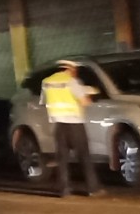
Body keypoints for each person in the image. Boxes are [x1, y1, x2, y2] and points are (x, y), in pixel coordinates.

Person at [40, 60, 104, 197]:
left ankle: (64, 190)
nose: (76, 73)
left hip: (59, 125)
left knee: (62, 159)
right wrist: (90, 96)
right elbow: (84, 102)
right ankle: (93, 189)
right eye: (75, 70)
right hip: (75, 124)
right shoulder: (72, 82)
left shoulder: (47, 82)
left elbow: (44, 102)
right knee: (84, 157)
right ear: (71, 69)